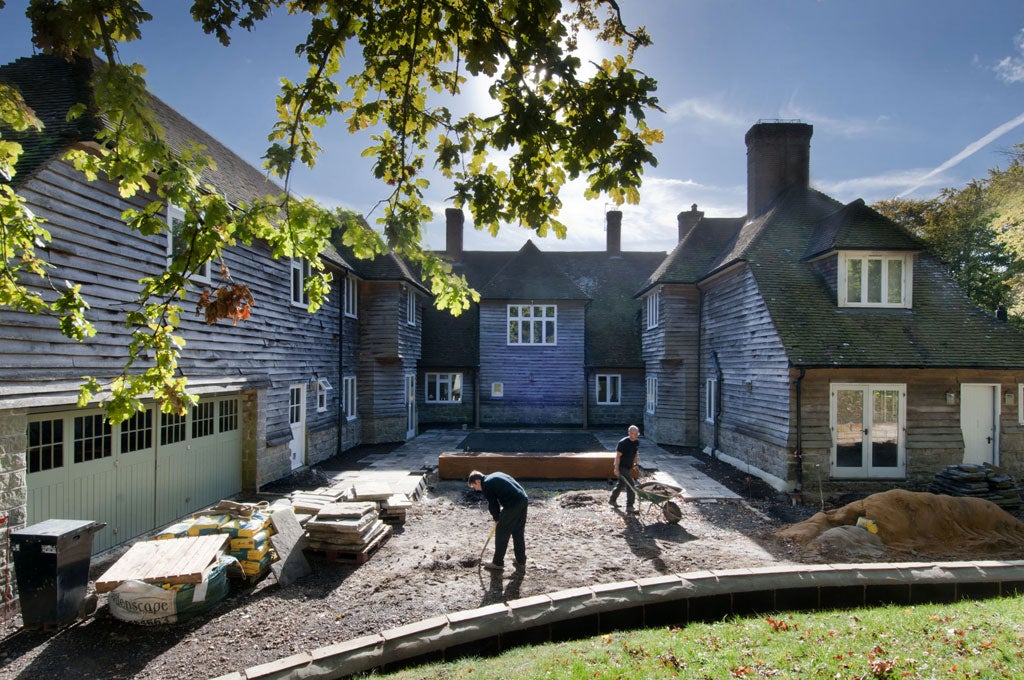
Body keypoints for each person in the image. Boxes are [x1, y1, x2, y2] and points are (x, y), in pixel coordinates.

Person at [467, 469, 528, 572]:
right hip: (523, 498)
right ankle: (521, 561)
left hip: (513, 504)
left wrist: (497, 518)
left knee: (501, 532)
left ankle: (497, 562)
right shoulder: (494, 475)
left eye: (474, 486)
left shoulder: (486, 484)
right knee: (517, 531)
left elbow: (493, 504)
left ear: (477, 481)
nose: (476, 489)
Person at [609, 424, 640, 512]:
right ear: (629, 433)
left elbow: (636, 453)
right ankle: (629, 506)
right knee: (631, 485)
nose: (634, 435)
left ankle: (612, 500)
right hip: (621, 467)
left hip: (628, 466)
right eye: (632, 433)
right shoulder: (623, 443)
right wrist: (616, 469)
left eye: (636, 433)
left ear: (638, 434)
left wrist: (635, 464)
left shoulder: (637, 442)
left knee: (621, 484)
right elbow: (618, 456)